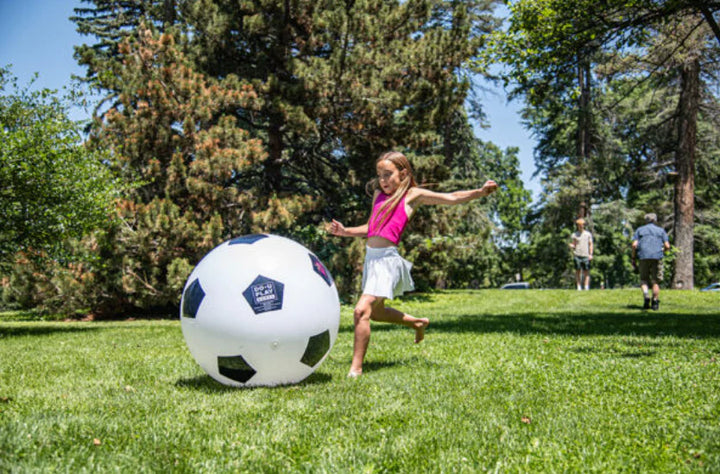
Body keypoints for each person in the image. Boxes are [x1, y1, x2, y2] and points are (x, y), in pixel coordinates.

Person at [327, 151, 498, 377]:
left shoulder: (411, 195)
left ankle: (355, 369)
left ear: (403, 173)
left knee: (361, 311)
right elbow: (372, 227)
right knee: (376, 313)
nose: (383, 180)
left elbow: (451, 197)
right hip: (371, 259)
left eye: (388, 174)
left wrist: (479, 192)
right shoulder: (378, 195)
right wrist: (345, 231)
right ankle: (417, 323)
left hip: (387, 261)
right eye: (380, 175)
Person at [631, 213, 670, 310]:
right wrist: (663, 251)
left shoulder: (640, 230)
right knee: (655, 281)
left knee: (643, 279)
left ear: (646, 220)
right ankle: (655, 302)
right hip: (657, 257)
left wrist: (633, 257)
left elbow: (634, 245)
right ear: (655, 220)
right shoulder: (661, 231)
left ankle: (646, 296)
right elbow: (667, 246)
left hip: (643, 256)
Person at [569, 218, 593, 290]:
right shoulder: (574, 235)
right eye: (579, 225)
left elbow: (590, 244)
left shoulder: (588, 234)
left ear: (584, 225)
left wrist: (590, 254)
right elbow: (573, 244)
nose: (580, 226)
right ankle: (578, 286)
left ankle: (586, 286)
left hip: (586, 255)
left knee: (586, 271)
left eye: (582, 225)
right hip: (577, 255)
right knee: (578, 271)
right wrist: (571, 246)